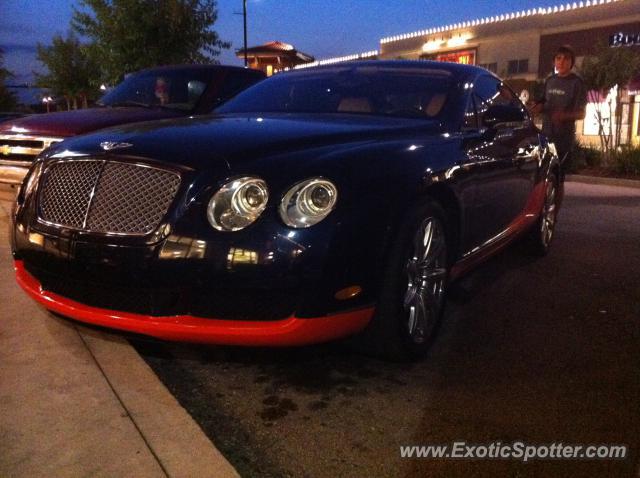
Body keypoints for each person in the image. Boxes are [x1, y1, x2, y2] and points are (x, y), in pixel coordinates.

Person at [530, 45, 587, 178]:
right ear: (554, 61)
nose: (561, 62)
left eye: (566, 59)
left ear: (571, 63)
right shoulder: (550, 81)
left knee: (558, 178)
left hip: (563, 141)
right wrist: (537, 108)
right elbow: (543, 103)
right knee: (542, 176)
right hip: (546, 137)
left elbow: (581, 113)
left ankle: (556, 199)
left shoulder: (577, 83)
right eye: (558, 58)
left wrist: (563, 116)